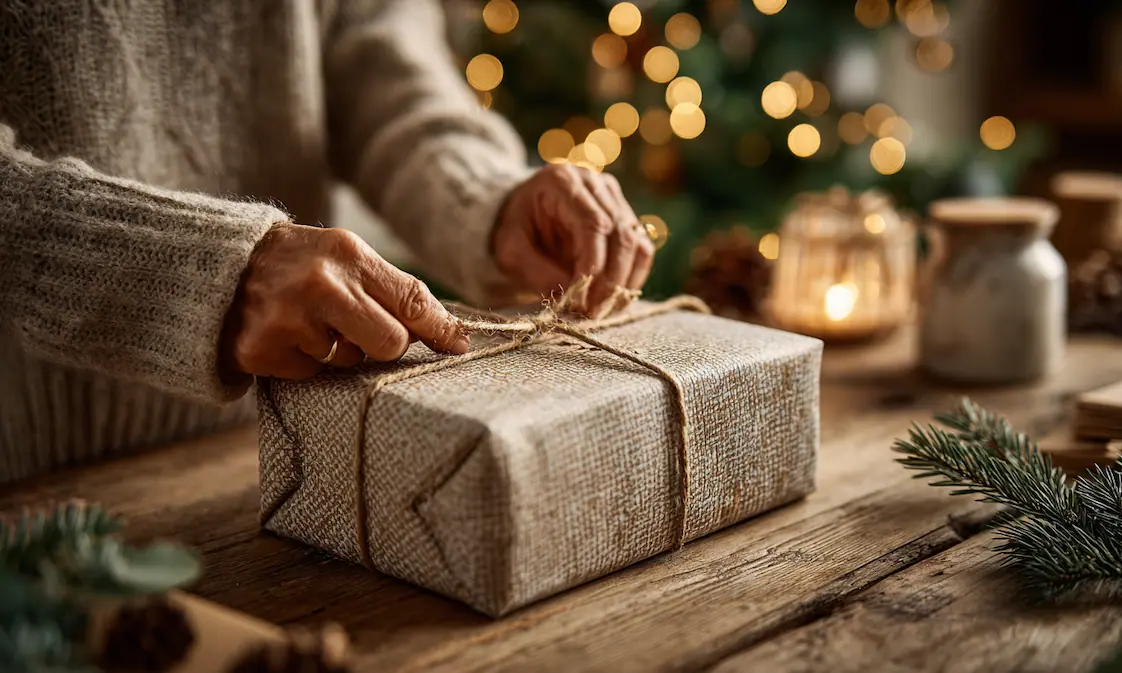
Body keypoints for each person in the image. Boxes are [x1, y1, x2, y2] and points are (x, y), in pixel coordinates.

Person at [0, 0, 656, 482]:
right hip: (25, 486)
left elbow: (380, 64)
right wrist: (191, 275)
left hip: (283, 455)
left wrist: (490, 198)